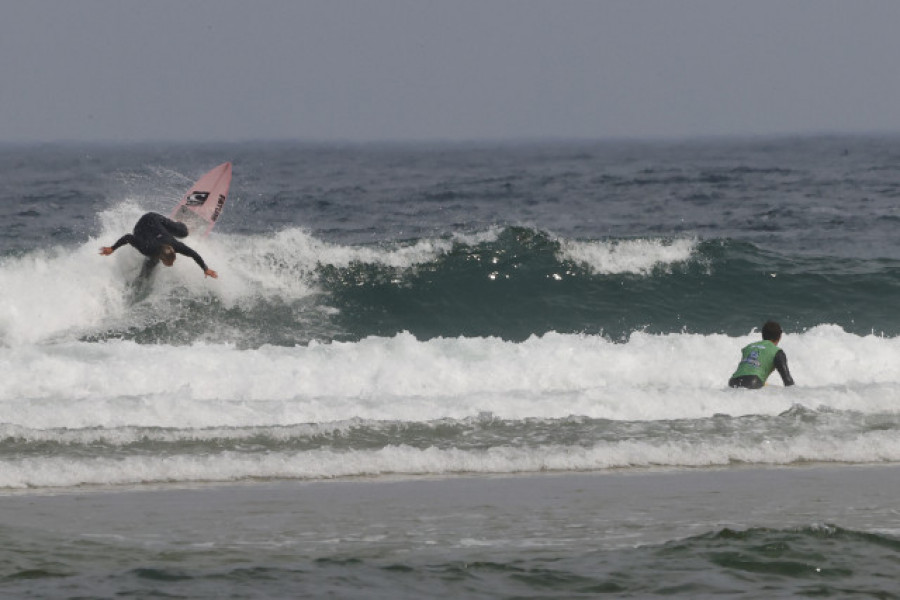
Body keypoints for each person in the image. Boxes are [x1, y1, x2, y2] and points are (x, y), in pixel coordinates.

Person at [100, 212, 218, 278]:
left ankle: (179, 223)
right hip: (142, 226)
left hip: (156, 221)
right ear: (162, 257)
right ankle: (142, 279)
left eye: (171, 261)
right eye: (169, 262)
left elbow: (194, 254)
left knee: (184, 233)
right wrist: (112, 248)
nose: (171, 265)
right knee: (151, 263)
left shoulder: (176, 246)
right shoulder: (146, 248)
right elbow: (128, 237)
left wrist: (205, 269)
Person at [728, 320, 794, 389]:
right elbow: (788, 381)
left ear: (762, 335)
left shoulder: (749, 347)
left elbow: (748, 370)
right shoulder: (777, 352)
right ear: (779, 337)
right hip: (753, 381)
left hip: (733, 382)